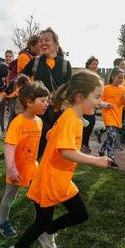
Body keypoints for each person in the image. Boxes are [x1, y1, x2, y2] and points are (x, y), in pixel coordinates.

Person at [4, 70, 110, 248]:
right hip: (50, 180)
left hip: (62, 179)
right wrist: (96, 160)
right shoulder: (71, 118)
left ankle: (48, 231)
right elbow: (66, 151)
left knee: (80, 214)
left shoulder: (72, 117)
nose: (98, 102)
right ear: (80, 97)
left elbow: (53, 134)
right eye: (96, 97)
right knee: (40, 222)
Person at [0, 81, 50, 238]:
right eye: (43, 101)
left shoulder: (39, 121)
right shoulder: (17, 123)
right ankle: (2, 222)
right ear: (29, 102)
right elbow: (9, 147)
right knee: (10, 196)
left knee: (39, 194)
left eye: (47, 100)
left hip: (32, 166)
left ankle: (41, 222)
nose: (46, 104)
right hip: (16, 168)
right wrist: (11, 169)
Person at [20, 28, 72, 158]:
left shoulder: (65, 65)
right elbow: (21, 78)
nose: (42, 43)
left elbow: (70, 89)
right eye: (41, 40)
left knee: (55, 141)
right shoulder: (35, 62)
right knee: (39, 139)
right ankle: (33, 168)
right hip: (39, 110)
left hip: (58, 110)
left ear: (56, 44)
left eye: (47, 40)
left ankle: (48, 169)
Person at [98, 67, 125, 167]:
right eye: (119, 77)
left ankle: (101, 150)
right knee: (112, 136)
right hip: (108, 115)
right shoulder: (106, 88)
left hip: (118, 115)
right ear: (113, 77)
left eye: (122, 78)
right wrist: (106, 105)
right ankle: (111, 159)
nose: (121, 79)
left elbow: (123, 104)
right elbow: (99, 102)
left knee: (111, 136)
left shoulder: (122, 89)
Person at [81, 56, 100, 153]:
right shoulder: (84, 75)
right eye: (93, 64)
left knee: (91, 123)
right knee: (84, 124)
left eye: (96, 64)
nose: (95, 66)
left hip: (93, 104)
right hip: (84, 103)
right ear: (88, 65)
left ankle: (85, 143)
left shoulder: (97, 77)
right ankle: (82, 143)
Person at [0, 50, 12, 137]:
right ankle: (2, 130)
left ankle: (9, 129)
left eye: (10, 56)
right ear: (5, 57)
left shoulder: (14, 66)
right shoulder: (0, 66)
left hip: (12, 92)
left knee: (12, 112)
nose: (8, 58)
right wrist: (2, 79)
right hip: (1, 92)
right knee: (2, 112)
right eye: (6, 56)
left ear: (12, 57)